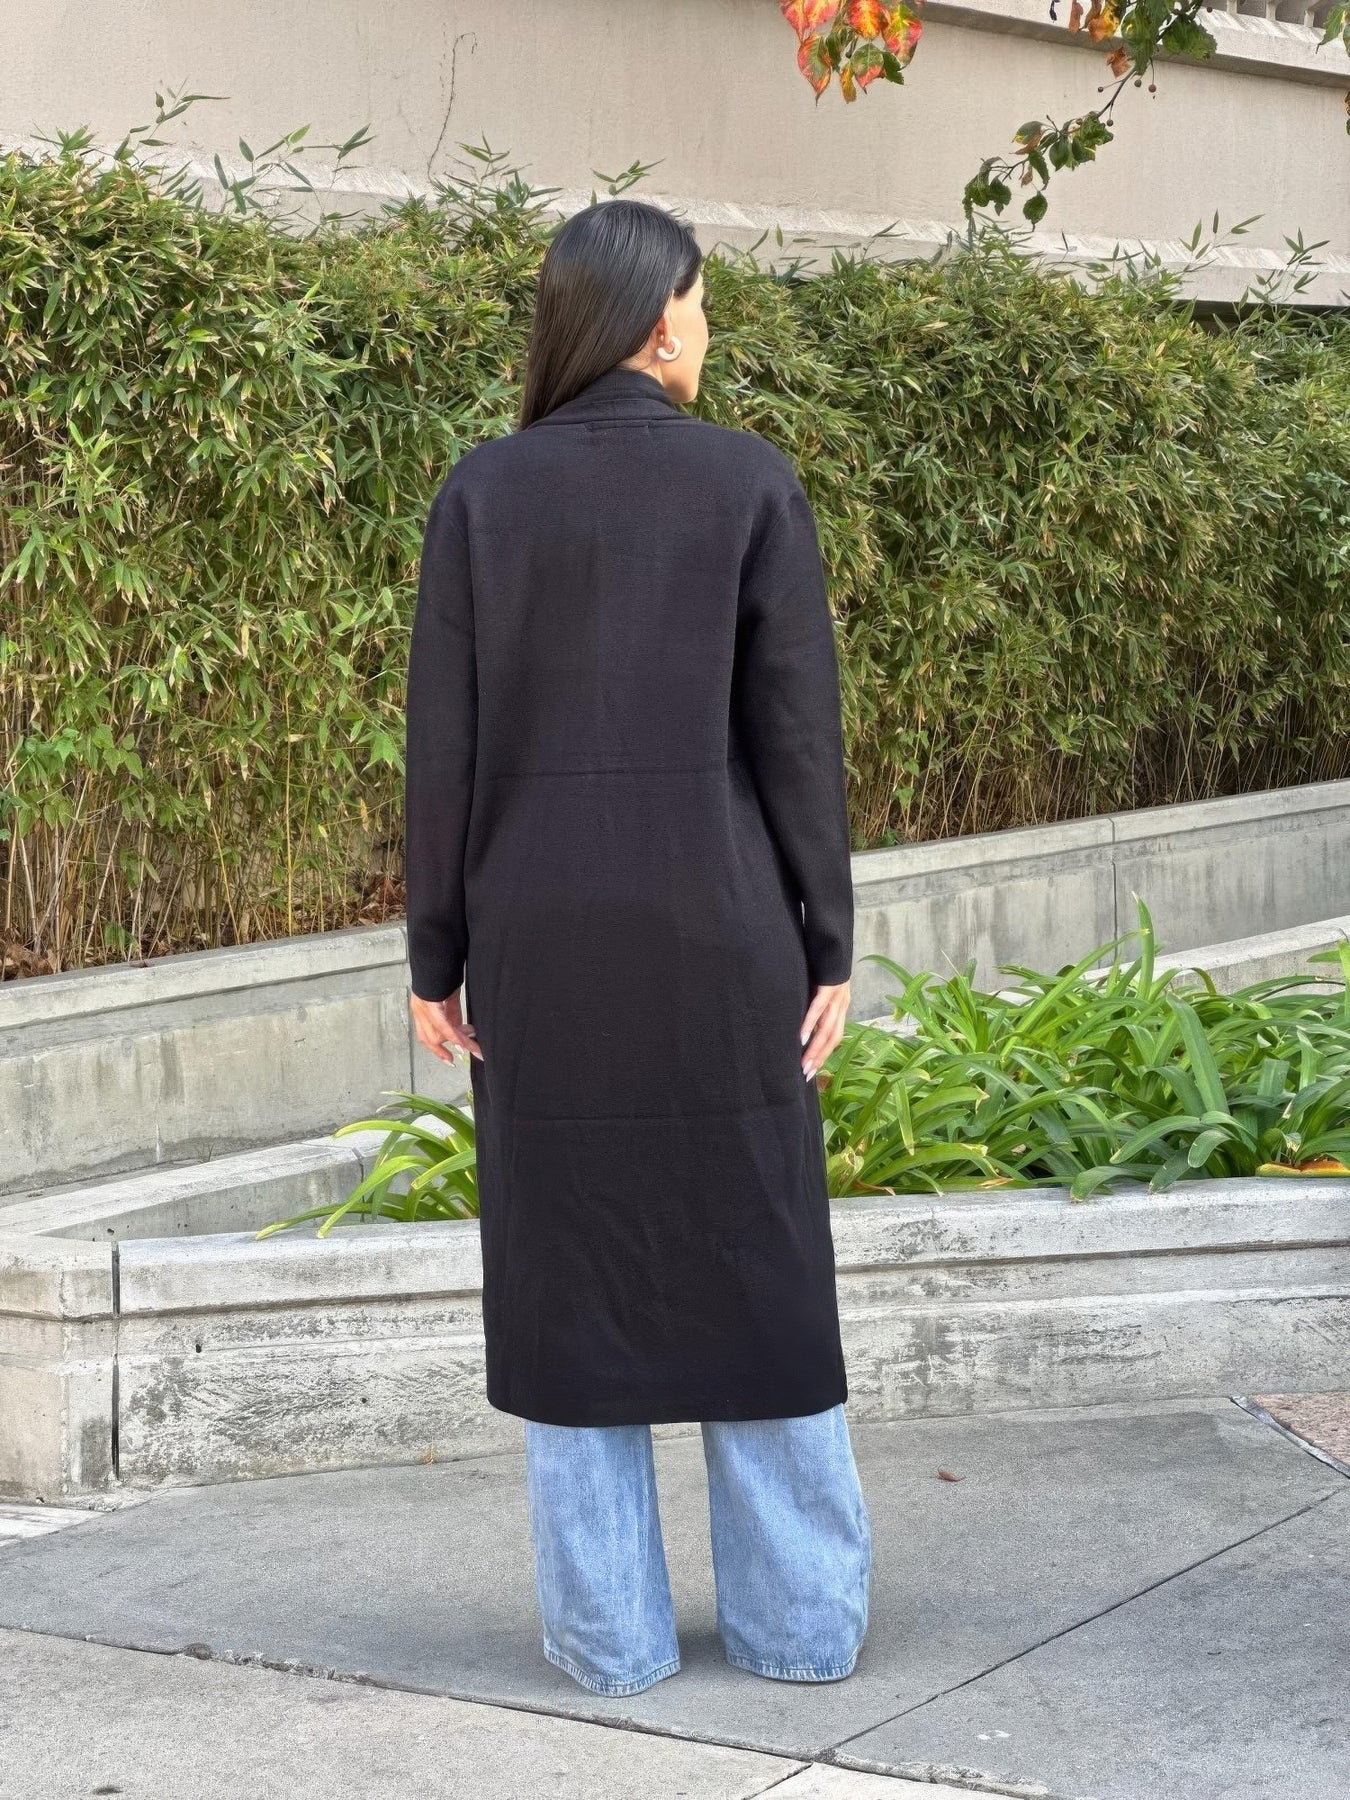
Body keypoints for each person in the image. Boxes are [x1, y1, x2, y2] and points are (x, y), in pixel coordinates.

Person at [402, 197, 871, 1698]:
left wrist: (434, 957)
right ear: (661, 316)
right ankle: (801, 1629)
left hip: (540, 943)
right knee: (760, 1258)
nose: (707, 329)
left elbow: (443, 751)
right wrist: (827, 938)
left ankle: (609, 1642)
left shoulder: (483, 493)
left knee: (572, 1276)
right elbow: (795, 738)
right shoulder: (748, 483)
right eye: (704, 304)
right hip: (722, 932)